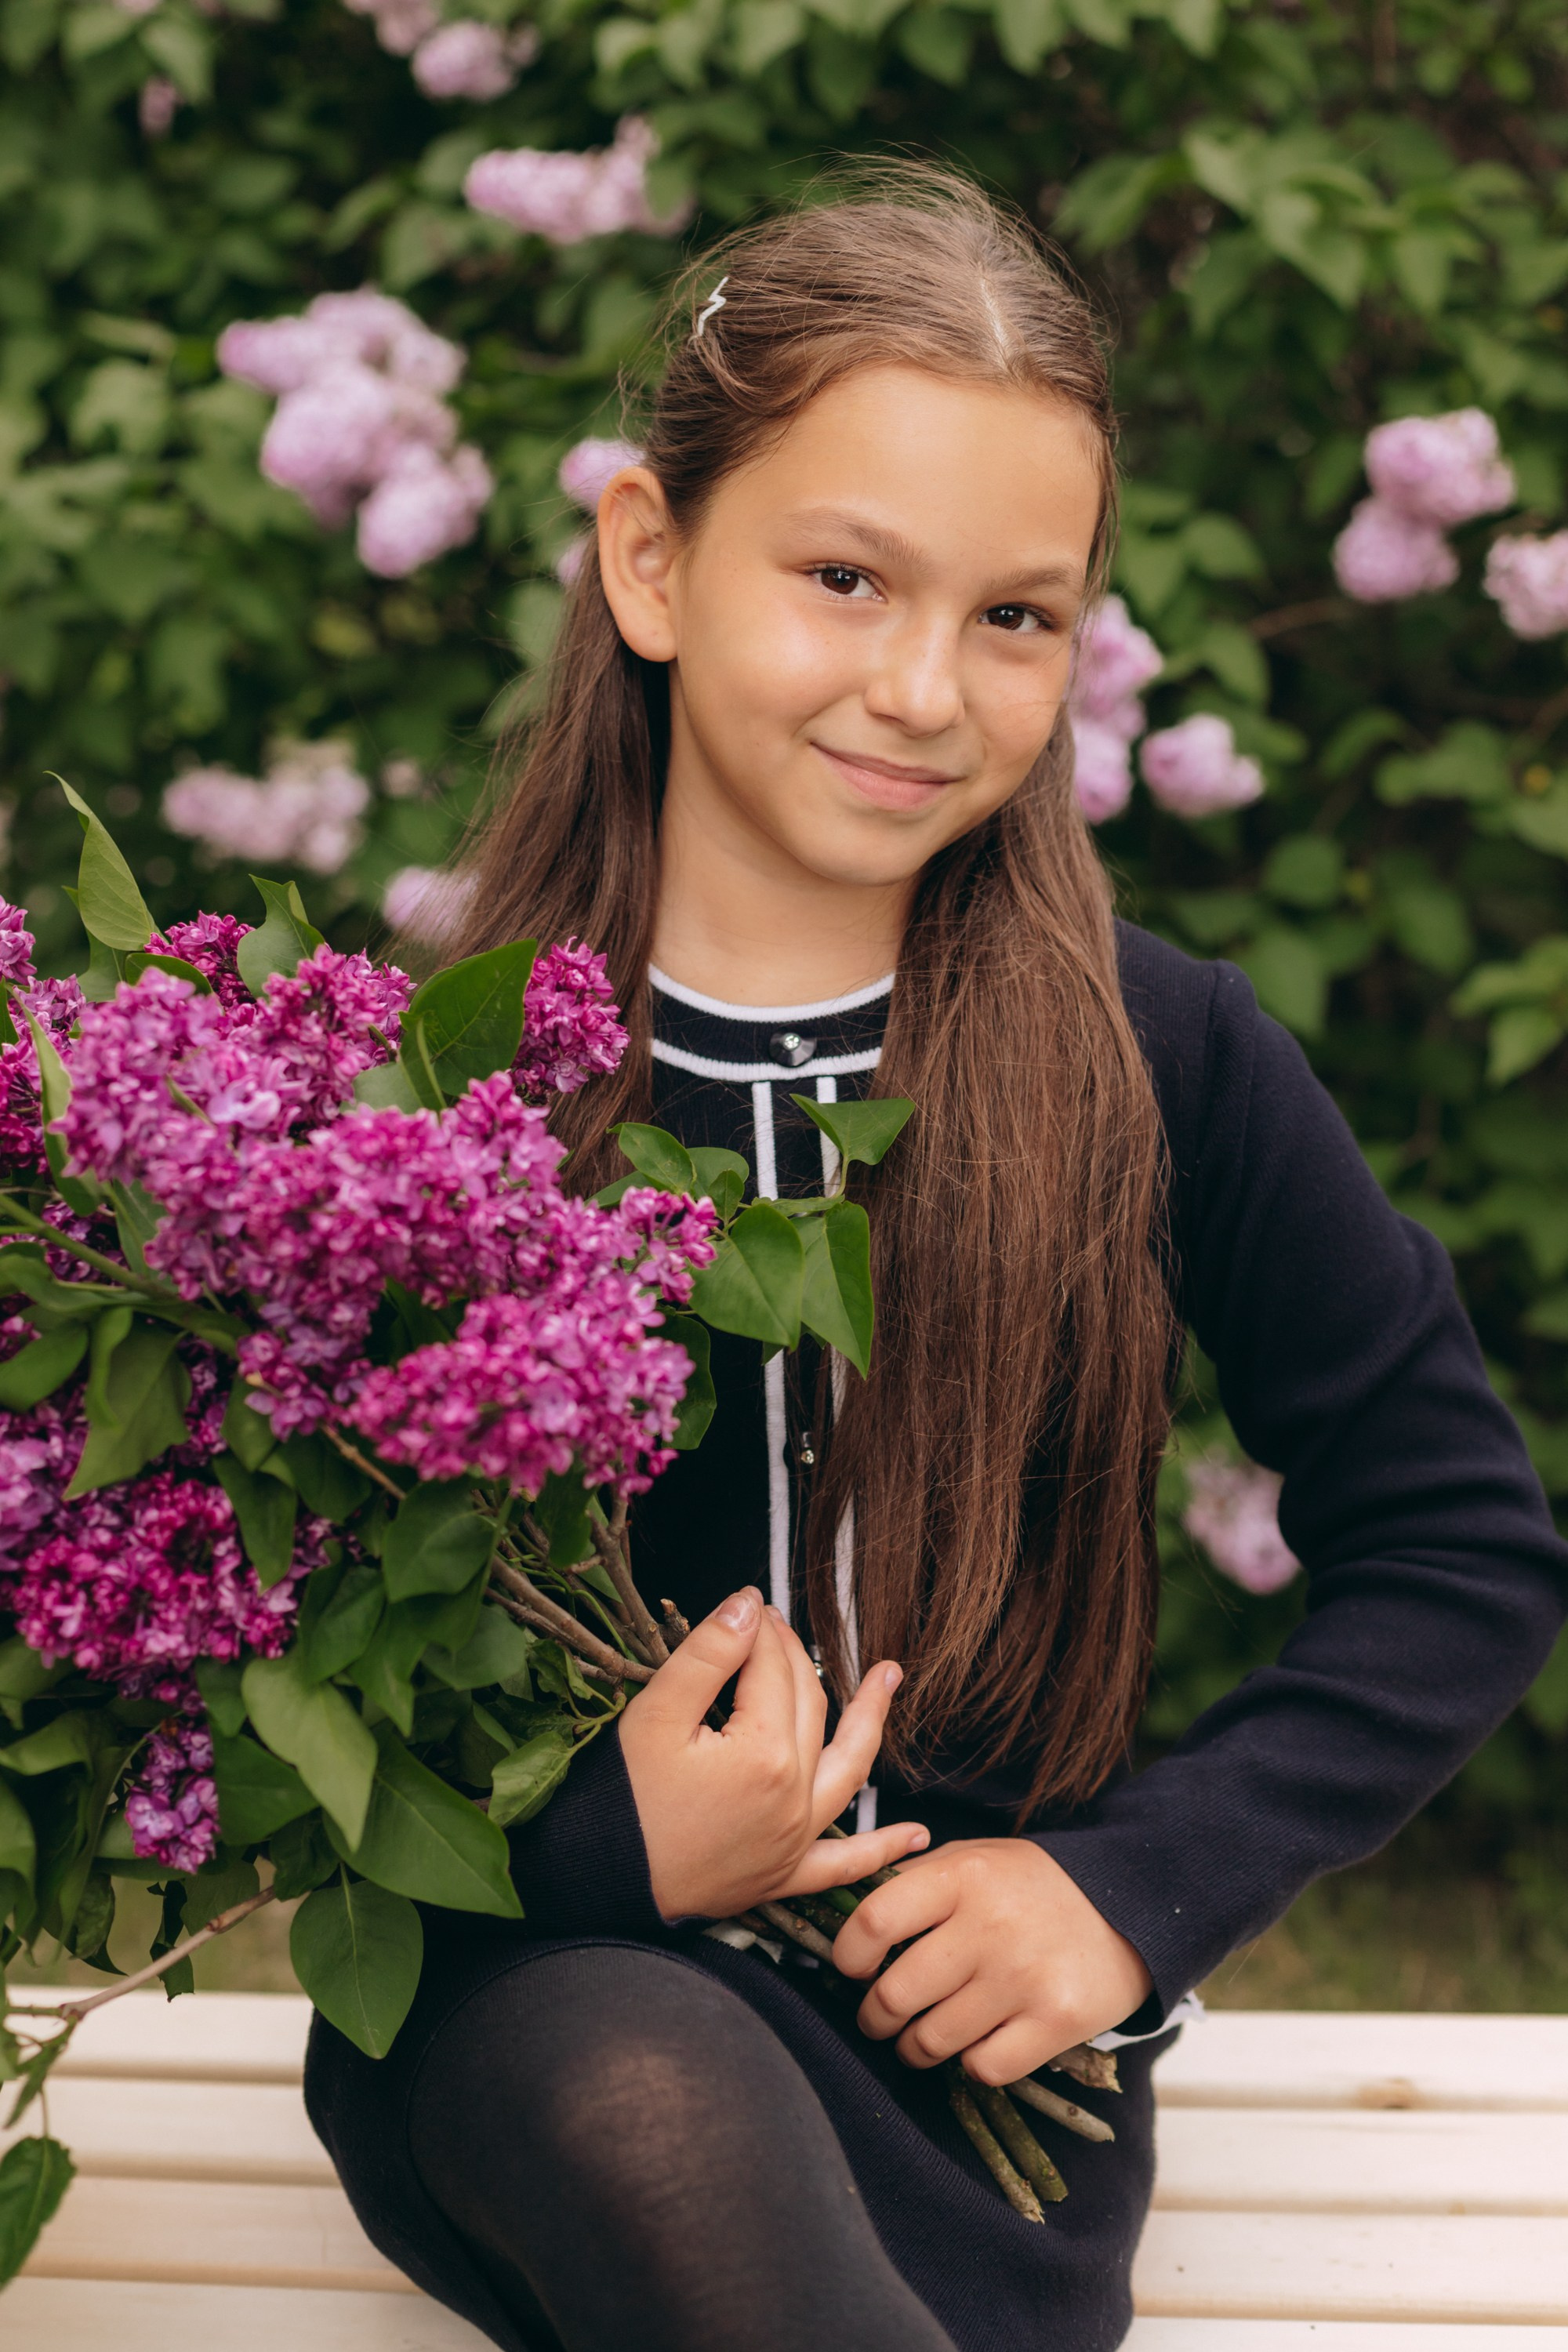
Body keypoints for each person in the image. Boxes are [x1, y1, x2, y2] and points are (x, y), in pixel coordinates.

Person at [304, 166, 1568, 2352]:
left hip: (981, 2072)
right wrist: (615, 1855)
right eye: (843, 576)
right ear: (650, 559)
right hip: (528, 2001)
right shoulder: (436, 1087)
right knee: (632, 2080)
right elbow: (286, 1709)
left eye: (1012, 616)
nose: (921, 684)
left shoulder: (1160, 1058)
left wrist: (1124, 1893)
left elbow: (1461, 1546)